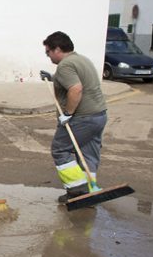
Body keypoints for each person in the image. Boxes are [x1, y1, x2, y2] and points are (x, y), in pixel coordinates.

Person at [43, 31, 108, 203]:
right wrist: (52, 78)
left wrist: (68, 114)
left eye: (48, 52)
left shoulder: (65, 65)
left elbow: (76, 88)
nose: (48, 56)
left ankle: (77, 191)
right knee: (88, 155)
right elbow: (74, 79)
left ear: (57, 49)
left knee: (59, 149)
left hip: (82, 118)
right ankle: (90, 189)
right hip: (99, 116)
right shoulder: (82, 59)